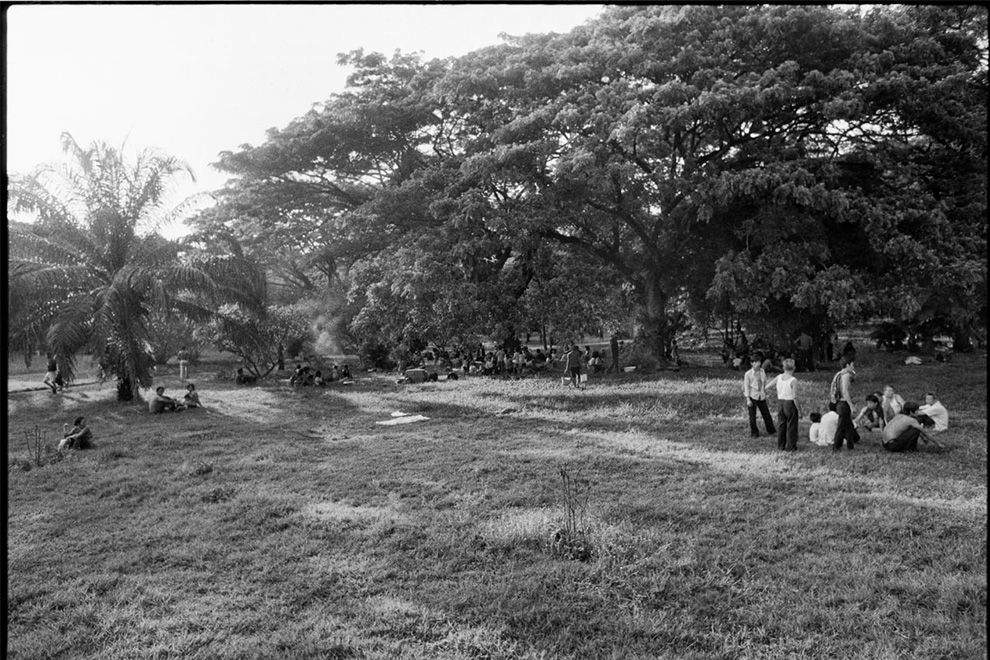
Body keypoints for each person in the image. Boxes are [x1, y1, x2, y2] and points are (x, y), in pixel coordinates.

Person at [766, 358, 799, 451]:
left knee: (781, 425)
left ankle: (780, 445)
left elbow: (768, 386)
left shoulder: (779, 377)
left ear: (783, 367)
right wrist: (798, 408)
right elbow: (795, 396)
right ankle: (791, 446)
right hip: (790, 402)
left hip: (780, 402)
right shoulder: (793, 380)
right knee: (791, 425)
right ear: (794, 368)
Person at [743, 357, 777, 438]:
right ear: (752, 363)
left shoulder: (762, 371)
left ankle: (771, 430)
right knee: (752, 416)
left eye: (759, 362)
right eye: (756, 362)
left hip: (761, 396)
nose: (758, 364)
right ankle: (754, 433)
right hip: (752, 396)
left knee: (766, 414)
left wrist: (764, 392)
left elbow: (764, 382)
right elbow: (746, 387)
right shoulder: (748, 374)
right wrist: (748, 398)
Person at [829, 356, 858, 451]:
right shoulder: (846, 376)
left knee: (849, 426)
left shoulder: (839, 374)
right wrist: (851, 405)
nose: (854, 367)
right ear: (847, 365)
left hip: (838, 403)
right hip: (843, 403)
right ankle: (836, 446)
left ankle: (850, 445)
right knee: (841, 426)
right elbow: (845, 391)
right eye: (852, 365)